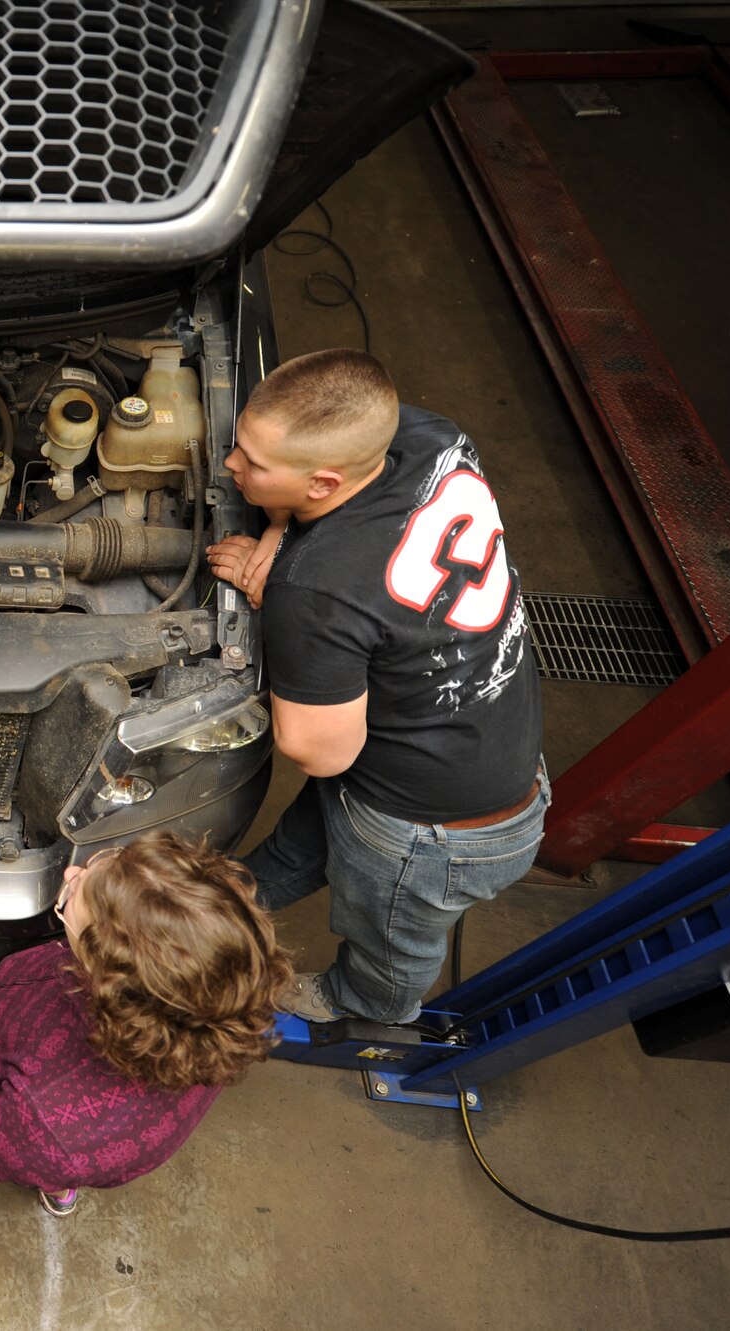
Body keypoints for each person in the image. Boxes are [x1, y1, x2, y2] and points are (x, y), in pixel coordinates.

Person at [206, 348, 547, 1024]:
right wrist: (279, 525)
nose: (230, 467)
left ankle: (366, 1007)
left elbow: (321, 754)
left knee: (390, 938)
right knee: (295, 849)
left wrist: (278, 589)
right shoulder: (432, 437)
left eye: (253, 464)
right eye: (239, 446)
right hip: (475, 741)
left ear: (323, 484)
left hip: (431, 831)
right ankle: (213, 917)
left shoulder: (318, 588)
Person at [0, 832, 290, 1217]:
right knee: (58, 1163)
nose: (70, 871)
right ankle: (61, 1184)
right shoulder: (217, 997)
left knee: (35, 1155)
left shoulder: (43, 1122)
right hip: (59, 1135)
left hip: (13, 1108)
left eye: (70, 898)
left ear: (109, 972)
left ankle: (52, 1177)